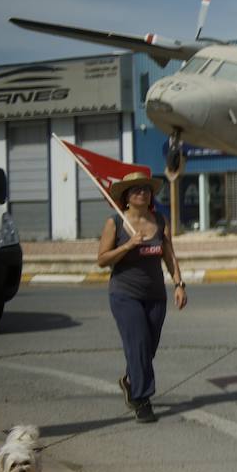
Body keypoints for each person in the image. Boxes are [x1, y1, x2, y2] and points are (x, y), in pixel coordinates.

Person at [96, 171, 187, 424]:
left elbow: (169, 254)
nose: (143, 193)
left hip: (156, 295)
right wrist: (127, 245)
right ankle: (142, 399)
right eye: (136, 190)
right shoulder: (115, 222)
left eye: (146, 189)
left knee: (148, 347)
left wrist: (179, 283)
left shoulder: (159, 219)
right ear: (126, 197)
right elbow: (102, 259)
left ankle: (129, 380)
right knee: (137, 343)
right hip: (125, 294)